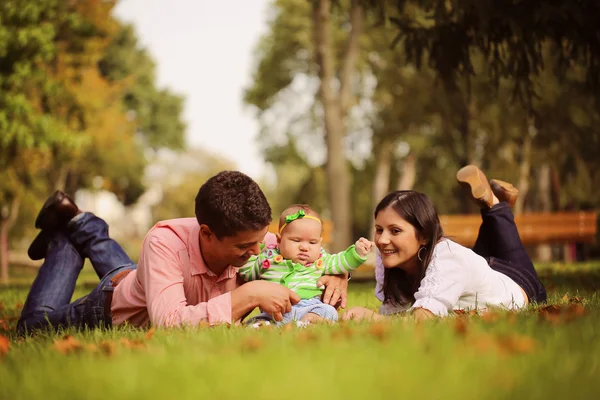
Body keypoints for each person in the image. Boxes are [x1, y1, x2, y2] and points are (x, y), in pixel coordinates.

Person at [16, 171, 349, 335]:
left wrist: (338, 272)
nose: (259, 250)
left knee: (135, 272)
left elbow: (305, 246)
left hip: (143, 279)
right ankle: (64, 239)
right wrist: (247, 295)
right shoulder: (164, 243)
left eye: (261, 240)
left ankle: (82, 222)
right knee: (31, 326)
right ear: (207, 233)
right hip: (111, 306)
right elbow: (169, 323)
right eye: (245, 247)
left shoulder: (256, 238)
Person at [344, 165, 547, 321]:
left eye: (395, 230)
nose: (382, 240)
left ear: (424, 235)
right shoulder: (391, 254)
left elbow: (422, 320)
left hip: (518, 285)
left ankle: (495, 204)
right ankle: (497, 206)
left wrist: (371, 317)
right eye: (379, 229)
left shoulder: (447, 259)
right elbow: (395, 314)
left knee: (478, 255)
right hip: (472, 271)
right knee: (469, 261)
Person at [239, 205, 372, 325]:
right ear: (279, 240)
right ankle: (263, 326)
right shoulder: (267, 258)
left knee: (328, 310)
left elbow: (341, 261)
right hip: (274, 310)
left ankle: (309, 321)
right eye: (296, 240)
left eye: (312, 243)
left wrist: (357, 252)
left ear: (320, 243)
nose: (304, 247)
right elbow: (246, 272)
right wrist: (257, 245)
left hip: (309, 306)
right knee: (260, 320)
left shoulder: (321, 259)